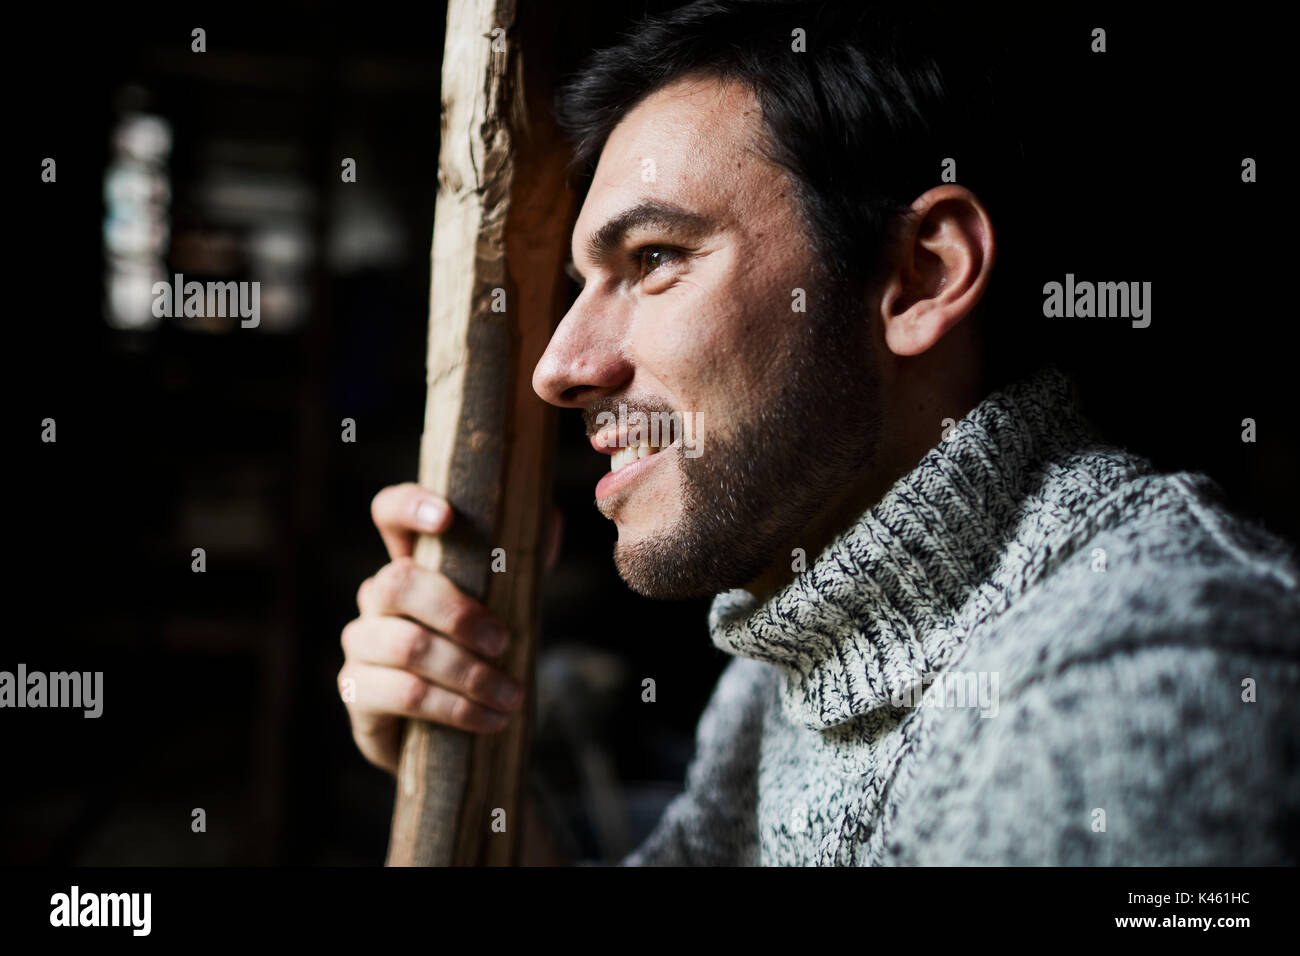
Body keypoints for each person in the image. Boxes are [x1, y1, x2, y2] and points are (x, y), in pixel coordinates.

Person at [339, 0, 1300, 864]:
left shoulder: (1133, 689)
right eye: (582, 287)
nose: (560, 367)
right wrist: (479, 750)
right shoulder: (788, 657)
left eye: (658, 258)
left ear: (922, 277)